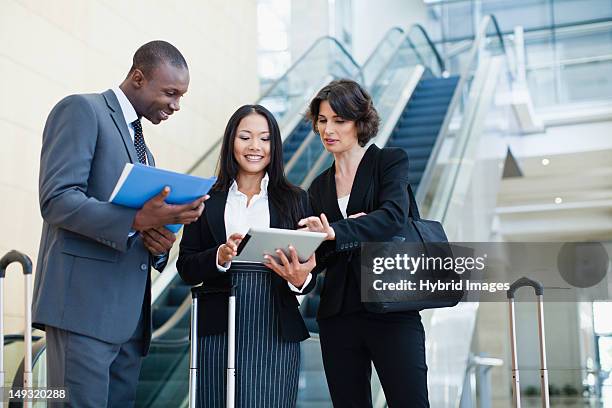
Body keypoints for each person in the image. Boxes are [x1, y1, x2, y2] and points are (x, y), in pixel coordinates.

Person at [32, 40, 207, 407]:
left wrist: (159, 242)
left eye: (181, 96)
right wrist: (137, 218)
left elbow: (136, 230)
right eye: (171, 93)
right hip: (83, 311)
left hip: (128, 323)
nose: (176, 105)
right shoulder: (82, 110)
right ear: (139, 78)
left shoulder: (144, 147)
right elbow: (57, 198)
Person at [299, 79, 429, 407]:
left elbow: (393, 217)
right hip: (338, 315)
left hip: (392, 306)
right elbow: (328, 253)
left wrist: (335, 232)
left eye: (339, 121)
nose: (328, 129)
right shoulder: (318, 186)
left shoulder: (388, 161)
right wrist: (313, 252)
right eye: (323, 120)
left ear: (359, 122)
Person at [177, 104, 316, 407]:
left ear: (275, 146)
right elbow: (186, 266)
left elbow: (308, 274)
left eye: (265, 139)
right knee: (216, 398)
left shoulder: (296, 199)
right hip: (217, 323)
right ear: (231, 142)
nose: (255, 147)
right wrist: (221, 255)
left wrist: (300, 278)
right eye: (245, 137)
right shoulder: (206, 198)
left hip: (275, 324)